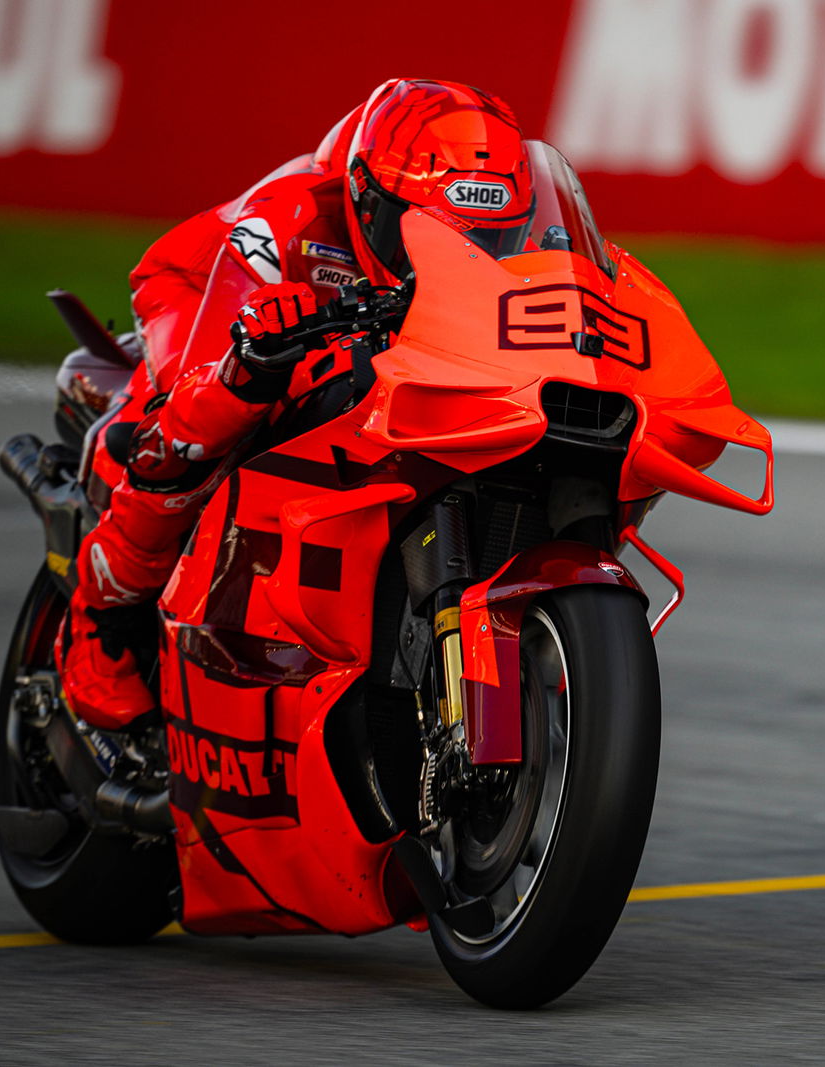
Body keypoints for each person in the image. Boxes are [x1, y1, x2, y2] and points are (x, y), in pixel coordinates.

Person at [56, 77, 537, 730]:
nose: (459, 250)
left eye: (484, 236)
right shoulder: (292, 220)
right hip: (209, 285)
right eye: (425, 231)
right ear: (368, 197)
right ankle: (94, 626)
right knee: (190, 429)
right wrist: (253, 357)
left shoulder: (531, 236)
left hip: (372, 331)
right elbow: (217, 372)